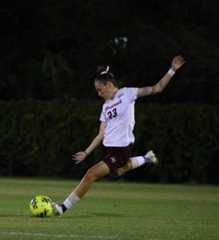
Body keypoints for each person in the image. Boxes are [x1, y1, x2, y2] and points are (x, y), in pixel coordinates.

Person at [53, 55, 186, 215]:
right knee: (118, 171)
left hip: (121, 149)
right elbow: (101, 133)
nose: (98, 93)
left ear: (109, 85)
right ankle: (146, 158)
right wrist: (86, 152)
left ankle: (63, 208)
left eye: (99, 90)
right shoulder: (105, 107)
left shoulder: (128, 93)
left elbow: (157, 88)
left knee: (90, 174)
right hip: (109, 149)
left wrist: (172, 70)